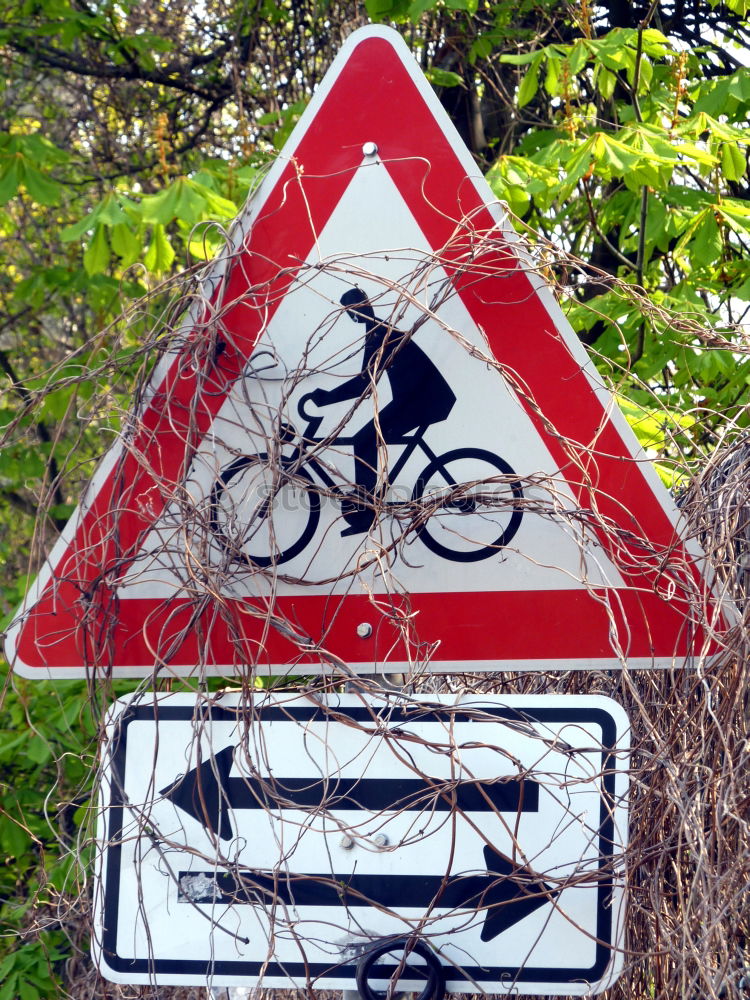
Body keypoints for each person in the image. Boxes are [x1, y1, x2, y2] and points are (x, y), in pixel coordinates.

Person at [309, 287, 456, 536]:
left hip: (425, 399)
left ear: (366, 304)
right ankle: (367, 504)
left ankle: (366, 512)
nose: (353, 315)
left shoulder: (379, 333)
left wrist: (326, 398)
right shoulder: (375, 331)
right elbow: (367, 381)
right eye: (348, 312)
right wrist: (327, 398)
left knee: (364, 440)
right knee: (366, 439)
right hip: (417, 397)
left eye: (354, 309)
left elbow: (365, 382)